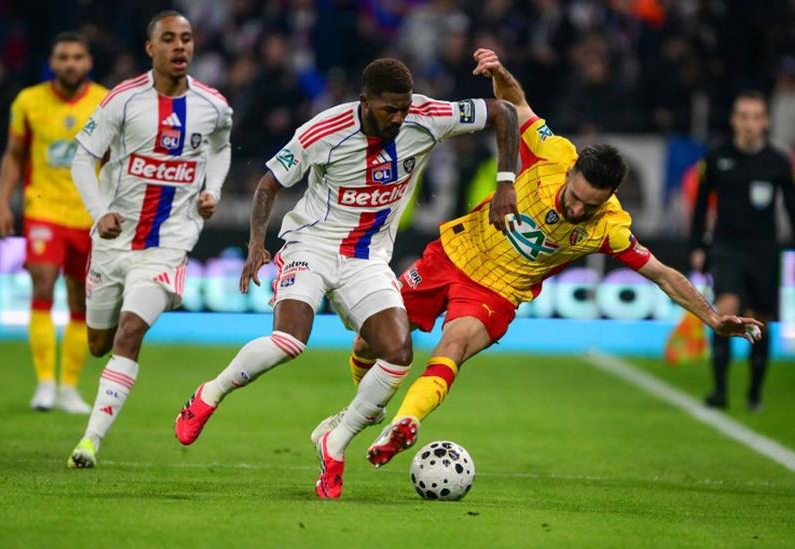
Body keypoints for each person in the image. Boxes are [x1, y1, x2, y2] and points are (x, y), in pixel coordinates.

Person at [312, 48, 764, 468]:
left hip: (497, 290)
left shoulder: (610, 226)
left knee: (453, 348)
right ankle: (370, 409)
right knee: (368, 345)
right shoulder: (552, 152)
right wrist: (499, 72)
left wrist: (711, 317)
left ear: (608, 198)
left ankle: (403, 423)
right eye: (575, 197)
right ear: (570, 172)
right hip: (450, 255)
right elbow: (516, 106)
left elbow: (663, 276)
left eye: (590, 205)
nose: (576, 210)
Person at [174, 57, 521, 499]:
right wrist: (256, 246)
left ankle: (334, 444)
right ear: (365, 101)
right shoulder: (323, 131)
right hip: (311, 246)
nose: (398, 117)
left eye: (403, 108)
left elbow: (503, 111)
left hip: (367, 257)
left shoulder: (427, 116)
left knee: (397, 354)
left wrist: (506, 181)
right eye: (389, 109)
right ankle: (209, 394)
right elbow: (268, 185)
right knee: (290, 341)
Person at [65, 10, 232, 468]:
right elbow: (83, 160)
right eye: (170, 39)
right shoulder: (122, 100)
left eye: (187, 38)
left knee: (131, 330)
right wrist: (100, 215)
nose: (181, 47)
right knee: (98, 343)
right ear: (150, 48)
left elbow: (221, 148)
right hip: (114, 244)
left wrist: (212, 189)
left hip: (168, 244)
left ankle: (90, 441)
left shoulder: (213, 105)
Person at [0, 32, 108, 414]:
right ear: (52, 61)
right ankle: (44, 383)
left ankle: (68, 388)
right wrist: (2, 203)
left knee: (80, 297)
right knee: (42, 282)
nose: (70, 63)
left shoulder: (105, 101)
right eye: (63, 57)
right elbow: (13, 155)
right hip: (43, 209)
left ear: (88, 62)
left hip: (89, 214)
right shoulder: (28, 101)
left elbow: (115, 160)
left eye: (77, 57)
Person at [690, 90, 795, 411]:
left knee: (759, 320)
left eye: (756, 117)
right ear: (734, 120)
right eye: (744, 116)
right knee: (725, 310)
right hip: (725, 247)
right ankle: (719, 391)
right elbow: (700, 206)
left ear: (765, 122)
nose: (750, 124)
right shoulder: (716, 158)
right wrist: (697, 245)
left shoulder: (778, 162)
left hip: (764, 250)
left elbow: (792, 207)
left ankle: (754, 394)